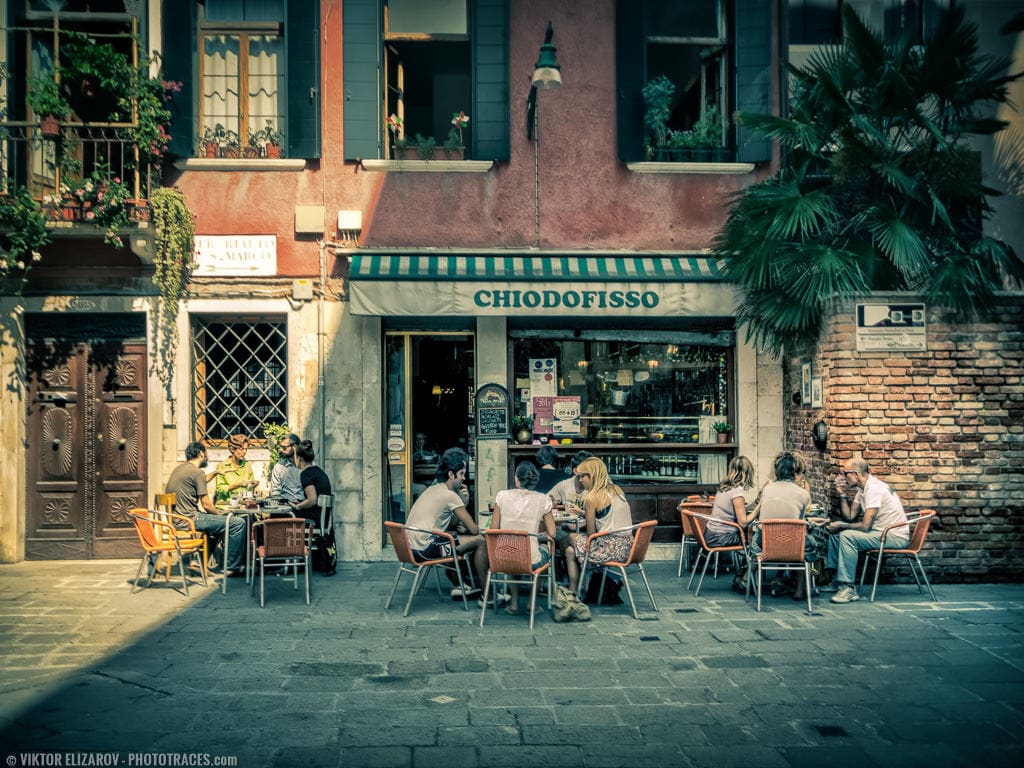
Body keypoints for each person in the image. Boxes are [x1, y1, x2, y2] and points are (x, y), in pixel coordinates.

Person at [824, 458, 910, 604]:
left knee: (846, 536)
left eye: (845, 473)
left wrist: (842, 525)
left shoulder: (874, 489)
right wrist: (842, 494)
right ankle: (837, 579)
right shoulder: (862, 489)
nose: (842, 477)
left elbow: (865, 526)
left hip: (893, 536)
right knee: (835, 536)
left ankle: (848, 587)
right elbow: (850, 516)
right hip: (880, 533)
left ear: (856, 474)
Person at [405, 447, 487, 599]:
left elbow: (450, 524)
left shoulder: (433, 489)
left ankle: (460, 586)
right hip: (424, 551)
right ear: (451, 474)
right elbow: (474, 530)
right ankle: (488, 595)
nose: (463, 478)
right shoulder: (450, 496)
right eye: (461, 473)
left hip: (410, 547)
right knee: (480, 541)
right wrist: (465, 502)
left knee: (453, 537)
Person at [165, 441, 246, 576]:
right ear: (201, 454)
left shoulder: (181, 469)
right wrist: (221, 515)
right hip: (191, 519)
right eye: (206, 454)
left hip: (178, 518)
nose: (207, 457)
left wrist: (216, 472)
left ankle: (198, 563)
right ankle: (232, 567)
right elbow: (207, 505)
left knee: (216, 528)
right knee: (237, 523)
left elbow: (200, 480)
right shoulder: (197, 473)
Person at [491, 462, 557, 614]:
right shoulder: (543, 499)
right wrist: (535, 536)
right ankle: (531, 604)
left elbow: (493, 529)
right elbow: (552, 533)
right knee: (544, 552)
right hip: (530, 560)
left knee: (512, 550)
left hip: (502, 557)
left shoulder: (502, 496)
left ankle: (514, 604)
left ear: (516, 479)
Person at [750, 451, 815, 599]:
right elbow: (801, 519)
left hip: (766, 544)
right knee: (803, 543)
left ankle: (750, 578)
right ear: (794, 472)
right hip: (792, 545)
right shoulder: (803, 494)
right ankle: (799, 589)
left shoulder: (767, 490)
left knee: (758, 537)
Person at [570, 456, 633, 595]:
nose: (580, 480)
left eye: (582, 476)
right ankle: (581, 585)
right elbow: (608, 516)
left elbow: (591, 535)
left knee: (569, 539)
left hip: (610, 550)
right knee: (570, 550)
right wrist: (583, 513)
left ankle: (576, 588)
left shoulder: (591, 498)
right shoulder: (616, 490)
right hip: (629, 548)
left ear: (591, 476)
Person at [704, 455, 757, 548]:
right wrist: (759, 508)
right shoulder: (737, 491)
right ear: (747, 472)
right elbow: (743, 523)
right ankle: (750, 562)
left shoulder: (725, 486)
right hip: (722, 537)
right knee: (756, 538)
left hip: (710, 533)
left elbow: (737, 512)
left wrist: (757, 502)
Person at [291, 440, 332, 523]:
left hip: (314, 519)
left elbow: (312, 500)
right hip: (323, 518)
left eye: (294, 457)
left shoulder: (305, 474)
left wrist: (297, 506)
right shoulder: (319, 471)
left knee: (285, 514)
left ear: (299, 458)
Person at [213, 434, 257, 505]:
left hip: (243, 505)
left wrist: (253, 485)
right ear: (232, 449)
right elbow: (220, 489)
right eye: (241, 449)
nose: (245, 452)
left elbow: (249, 488)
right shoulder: (222, 466)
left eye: (246, 449)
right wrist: (240, 484)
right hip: (226, 506)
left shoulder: (247, 465)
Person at [267, 432, 304, 505]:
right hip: (284, 505)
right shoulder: (279, 467)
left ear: (295, 447)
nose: (281, 450)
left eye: (284, 447)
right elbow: (275, 492)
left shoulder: (306, 466)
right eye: (280, 447)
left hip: (303, 506)